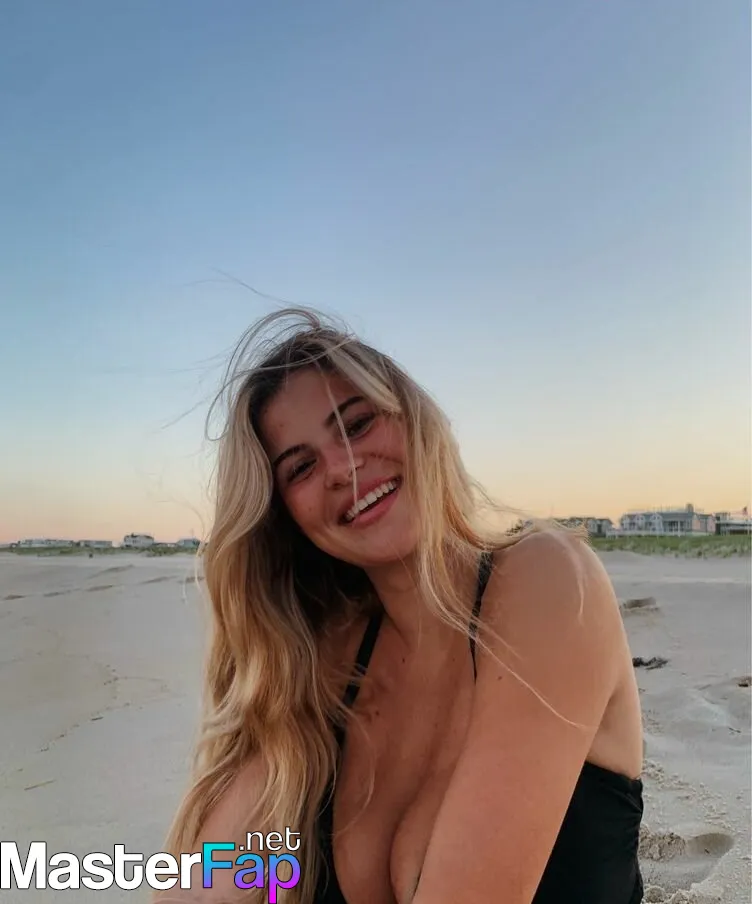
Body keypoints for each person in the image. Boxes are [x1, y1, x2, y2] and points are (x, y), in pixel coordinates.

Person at [158, 307, 645, 904]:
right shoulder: (329, 662)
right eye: (301, 466)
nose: (343, 468)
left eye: (358, 424)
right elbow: (206, 883)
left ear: (413, 417)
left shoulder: (547, 578)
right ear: (285, 518)